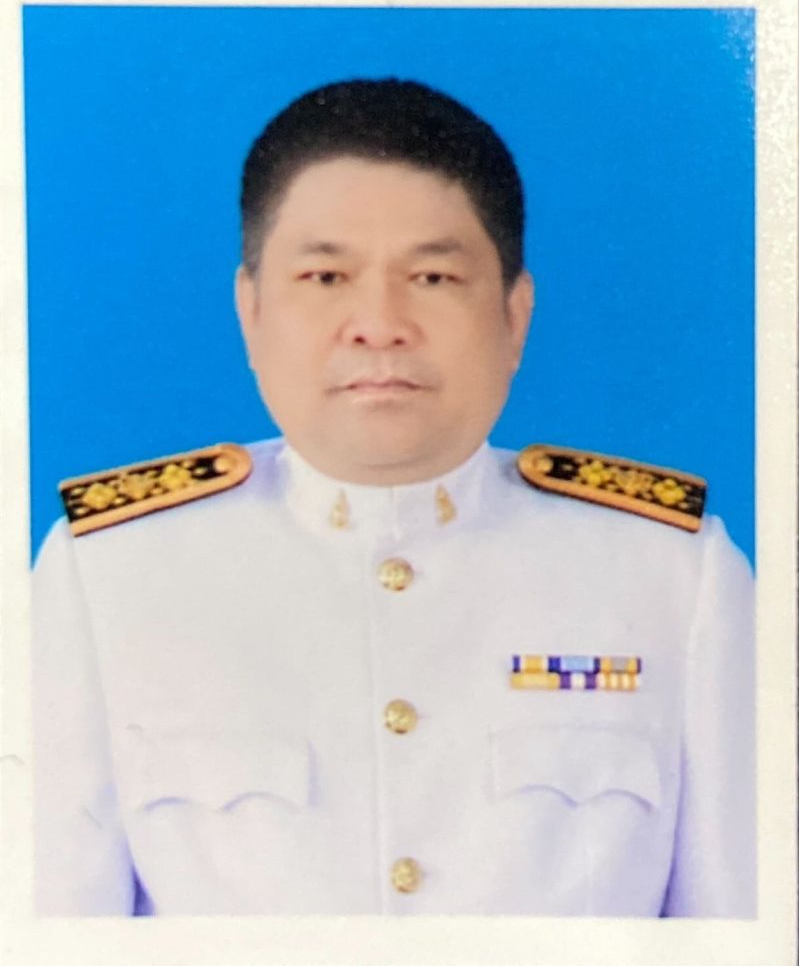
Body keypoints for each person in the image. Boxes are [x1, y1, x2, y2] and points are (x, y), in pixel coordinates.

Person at [32, 78, 755, 917]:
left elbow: (742, 928)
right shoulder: (109, 574)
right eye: (325, 275)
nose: (378, 323)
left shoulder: (674, 574)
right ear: (251, 312)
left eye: (434, 277)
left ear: (514, 316)